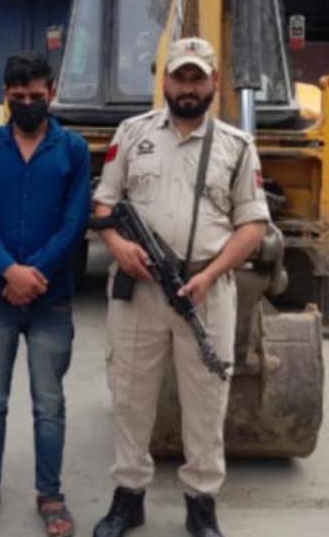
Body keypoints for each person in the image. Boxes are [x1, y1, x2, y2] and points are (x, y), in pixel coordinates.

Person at [92, 38, 269, 537]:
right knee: (129, 396)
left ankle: (201, 503)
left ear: (213, 82)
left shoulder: (237, 146)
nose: (187, 88)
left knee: (207, 400)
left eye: (197, 78)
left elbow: (253, 225)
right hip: (138, 287)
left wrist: (210, 275)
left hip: (206, 289)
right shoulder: (131, 134)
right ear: (165, 82)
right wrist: (117, 244)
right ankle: (128, 498)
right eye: (179, 78)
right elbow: (104, 204)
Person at [0, 51, 90, 536]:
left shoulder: (73, 150)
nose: (28, 104)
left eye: (36, 97)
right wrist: (10, 271)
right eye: (18, 98)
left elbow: (75, 224)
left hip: (51, 298)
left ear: (51, 93)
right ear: (5, 96)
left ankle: (50, 496)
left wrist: (34, 275)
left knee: (48, 403)